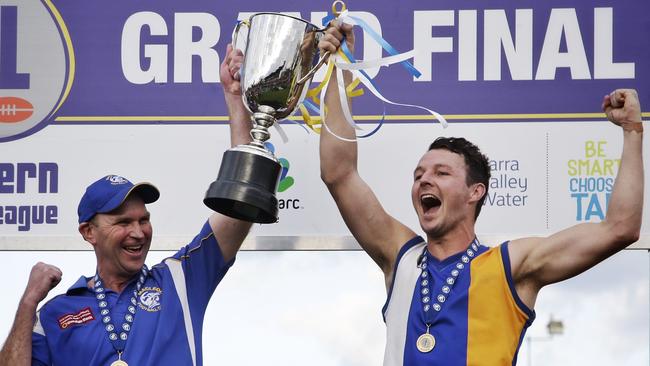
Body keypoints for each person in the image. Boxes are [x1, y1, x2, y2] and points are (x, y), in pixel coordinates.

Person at [318, 23, 644, 365]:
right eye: (419, 175)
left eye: (442, 173)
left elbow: (620, 228)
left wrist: (632, 132)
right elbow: (339, 174)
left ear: (476, 191)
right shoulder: (400, 256)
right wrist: (339, 70)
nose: (424, 180)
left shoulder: (512, 265)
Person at [0, 44, 251, 366]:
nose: (138, 232)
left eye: (143, 220)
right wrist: (28, 302)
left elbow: (239, 206)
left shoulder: (179, 280)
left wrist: (234, 99)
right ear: (89, 231)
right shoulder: (55, 313)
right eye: (122, 222)